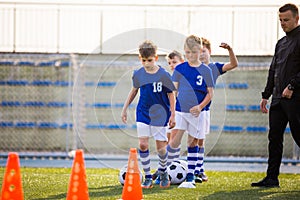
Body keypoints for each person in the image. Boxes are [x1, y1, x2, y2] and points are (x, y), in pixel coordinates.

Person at [251, 3, 300, 188]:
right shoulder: (281, 42)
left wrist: (292, 85)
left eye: (286, 20)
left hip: (296, 98)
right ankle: (272, 178)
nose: (283, 23)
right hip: (279, 99)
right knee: (274, 138)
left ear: (297, 18)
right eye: (280, 20)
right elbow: (274, 70)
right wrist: (266, 95)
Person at [121, 40, 176, 189]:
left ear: (156, 58)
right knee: (143, 144)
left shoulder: (164, 75)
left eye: (150, 60)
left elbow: (171, 95)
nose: (146, 63)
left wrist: (173, 114)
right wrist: (125, 108)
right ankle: (147, 177)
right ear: (140, 59)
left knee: (160, 147)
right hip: (143, 113)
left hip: (160, 114)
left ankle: (163, 172)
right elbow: (134, 91)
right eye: (144, 60)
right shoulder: (138, 74)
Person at [168, 35, 214, 188]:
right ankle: (166, 171)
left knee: (192, 141)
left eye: (193, 52)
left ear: (200, 51)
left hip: (197, 113)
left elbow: (210, 94)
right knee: (174, 140)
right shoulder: (180, 68)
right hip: (181, 111)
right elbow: (173, 91)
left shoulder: (206, 70)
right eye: (187, 52)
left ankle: (190, 177)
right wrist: (172, 111)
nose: (190, 55)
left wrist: (200, 107)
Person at [193, 38, 238, 183]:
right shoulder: (191, 67)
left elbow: (233, 64)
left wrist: (230, 50)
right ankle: (191, 169)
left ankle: (199, 169)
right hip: (189, 110)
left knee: (200, 140)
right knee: (192, 140)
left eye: (204, 51)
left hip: (204, 110)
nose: (201, 54)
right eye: (198, 51)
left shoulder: (213, 68)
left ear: (209, 52)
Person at [152, 50, 184, 184]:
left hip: (181, 112)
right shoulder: (170, 77)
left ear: (182, 62)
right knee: (167, 140)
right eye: (170, 63)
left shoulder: (184, 76)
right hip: (169, 112)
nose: (172, 65)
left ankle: (164, 169)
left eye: (174, 62)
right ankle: (165, 168)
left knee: (175, 141)